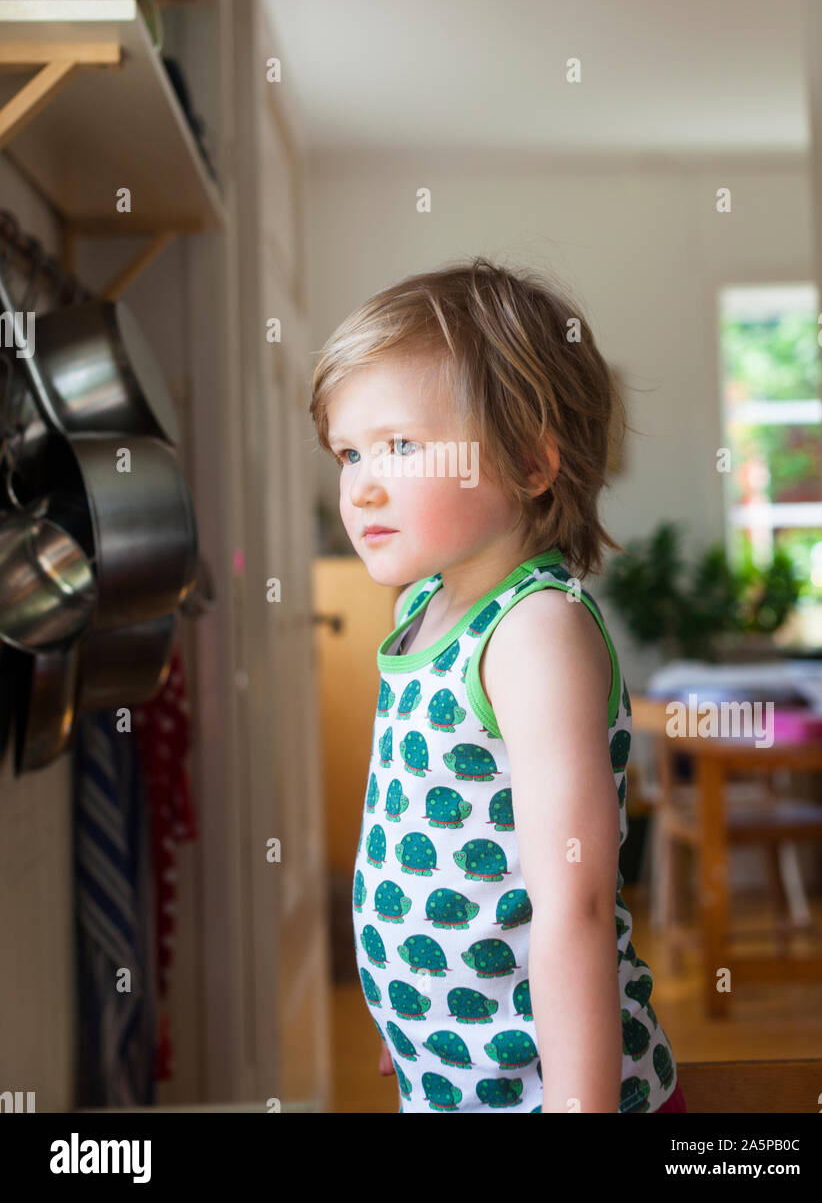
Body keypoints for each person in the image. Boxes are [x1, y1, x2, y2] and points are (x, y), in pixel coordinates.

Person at [309, 257, 686, 1114]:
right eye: (348, 451)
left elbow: (576, 903)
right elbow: (428, 836)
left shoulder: (534, 632)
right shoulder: (421, 609)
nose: (361, 484)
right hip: (452, 1075)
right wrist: (411, 1010)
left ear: (528, 462)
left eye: (402, 446)